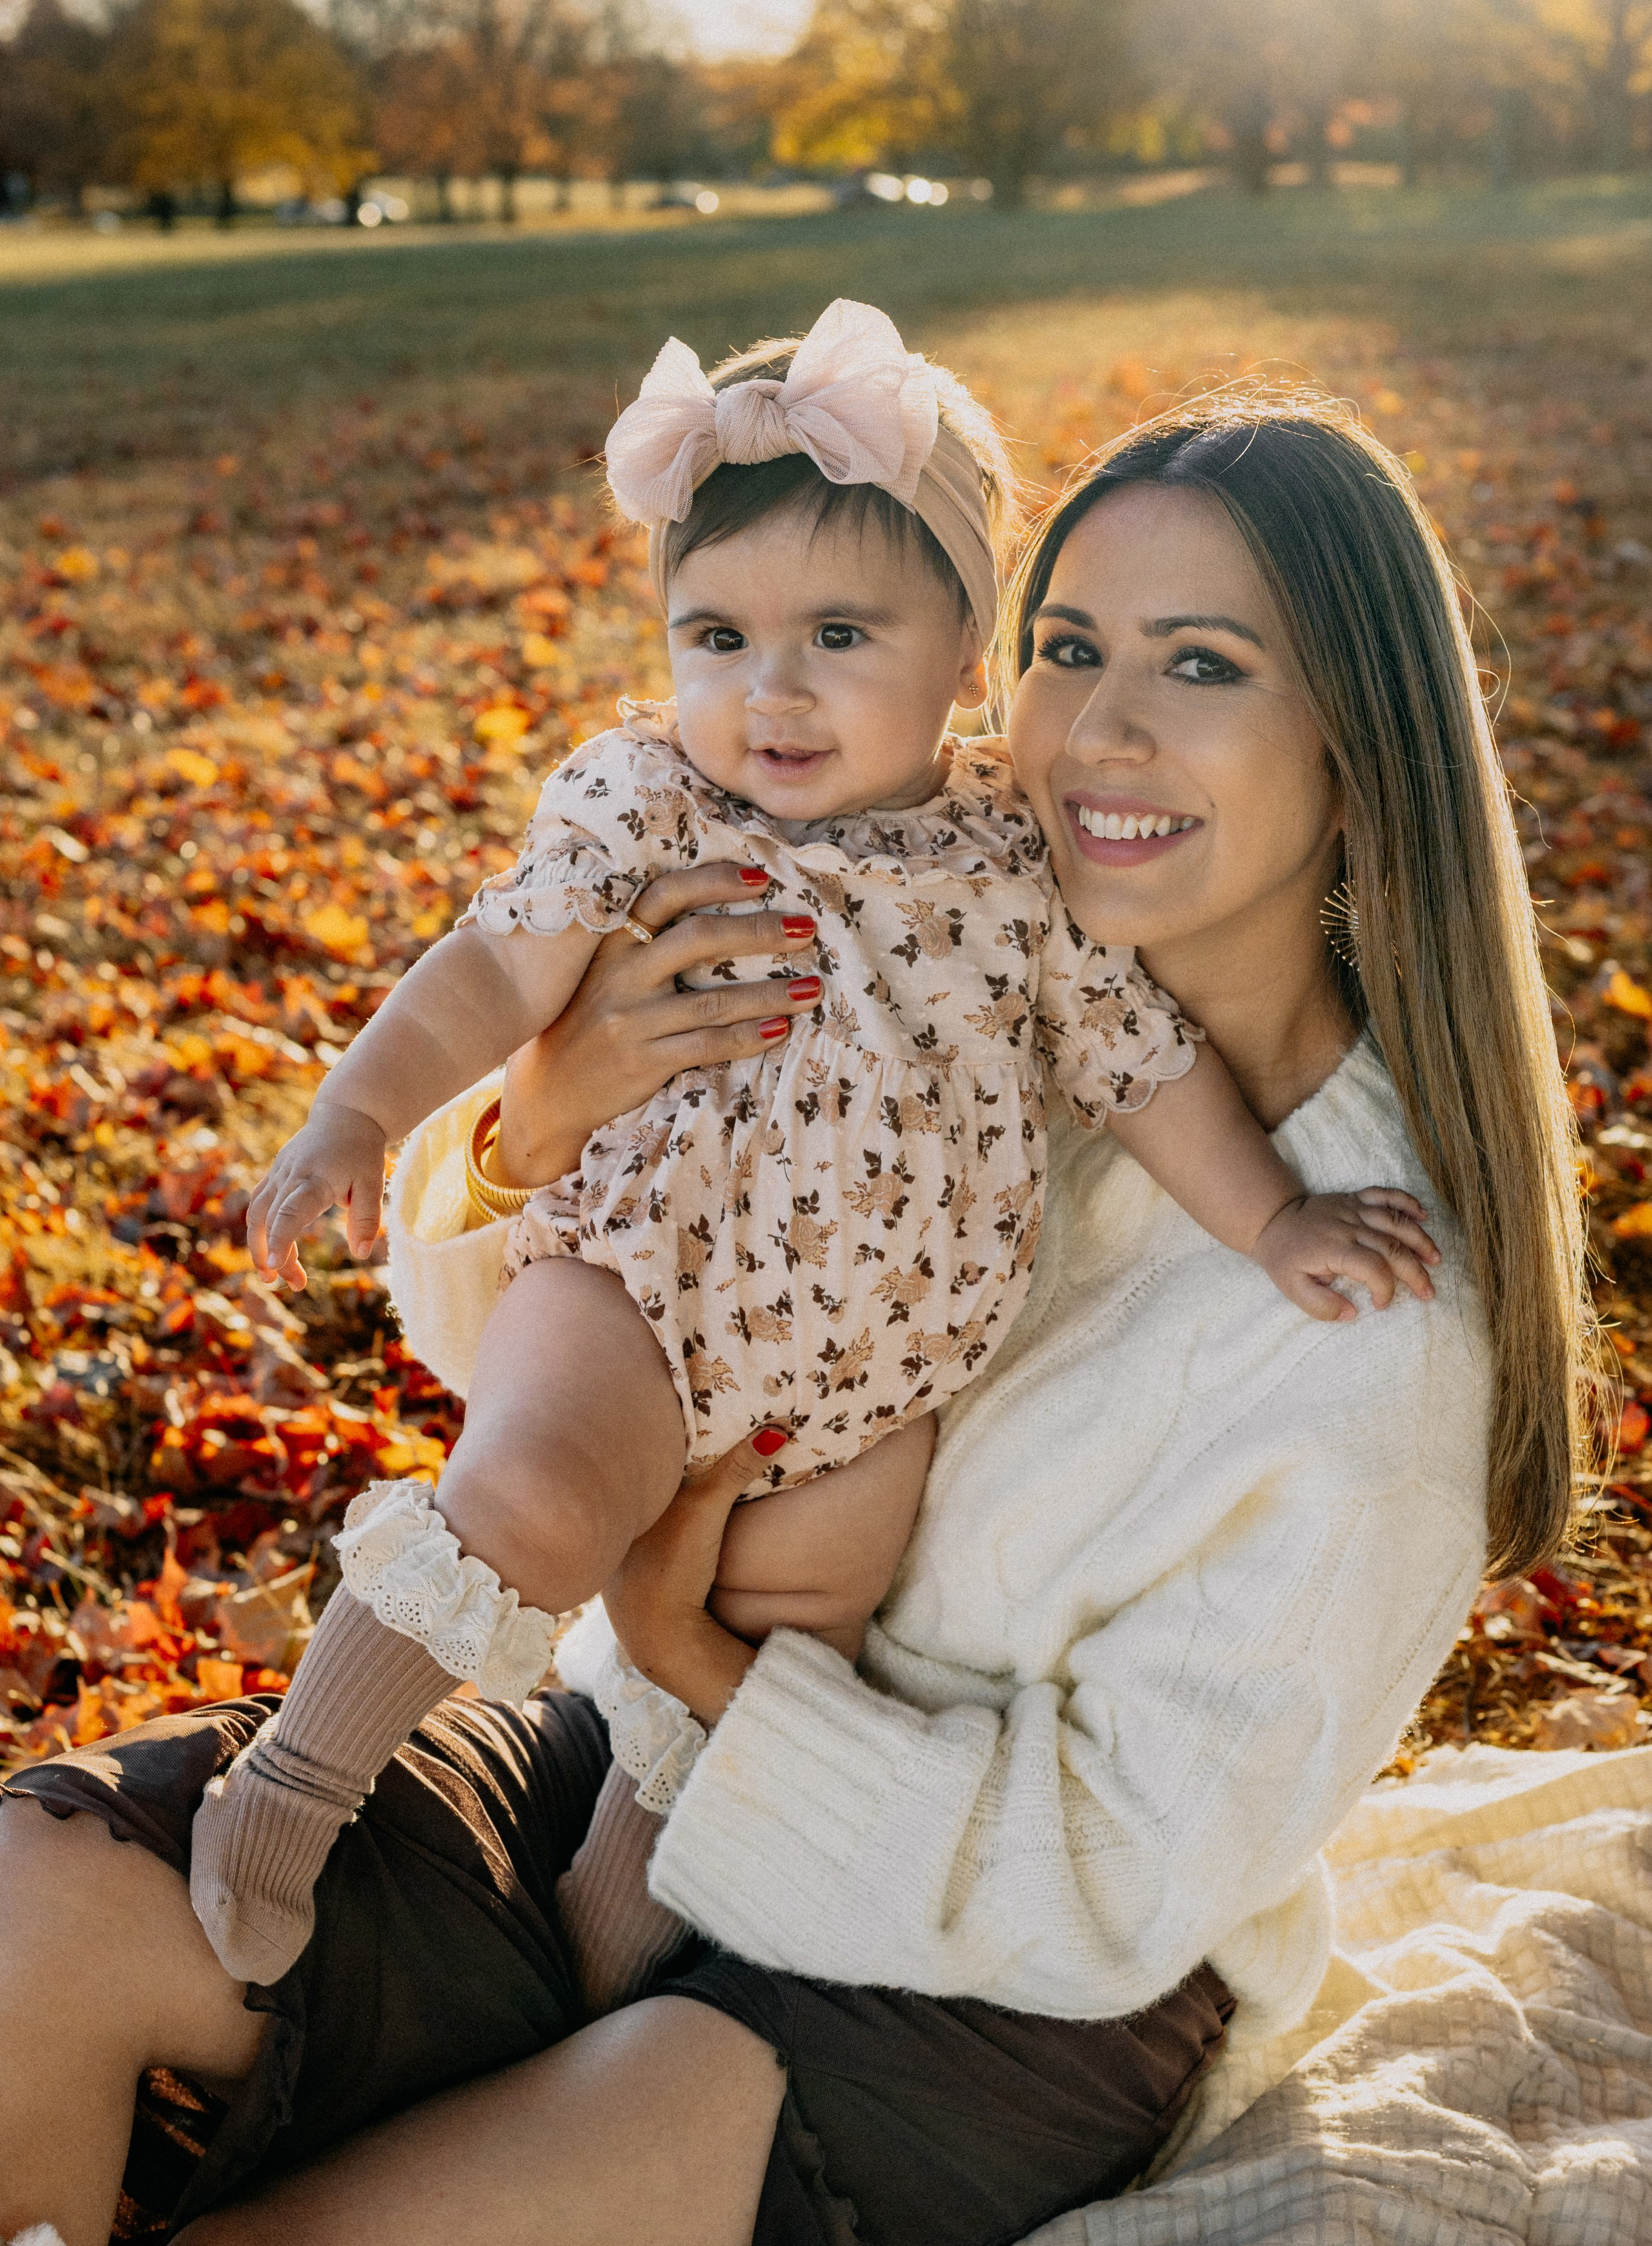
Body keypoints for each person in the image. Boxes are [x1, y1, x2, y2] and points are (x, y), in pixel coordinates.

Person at [0, 386, 1590, 2246]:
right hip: (624, 1743)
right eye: (1070, 647)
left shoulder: (1357, 1309)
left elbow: (1110, 1877)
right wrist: (538, 1123)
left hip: (977, 1980)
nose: (1097, 731)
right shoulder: (907, 925)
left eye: (1201, 668)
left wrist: (700, 1665)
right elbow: (589, 1354)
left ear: (1356, 746)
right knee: (40, 1897)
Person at [185, 301, 1432, 2003]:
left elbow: (1146, 1075)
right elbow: (491, 964)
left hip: (877, 1382)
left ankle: (607, 1961)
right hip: (645, 1289)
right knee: (538, 1497)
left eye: (839, 633)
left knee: (777, 1658)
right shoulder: (652, 812)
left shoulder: (1013, 866)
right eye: (715, 637)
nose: (765, 691)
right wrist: (368, 1113)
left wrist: (1277, 1222)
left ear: (963, 653)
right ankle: (296, 1784)